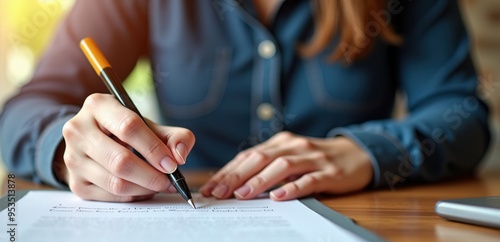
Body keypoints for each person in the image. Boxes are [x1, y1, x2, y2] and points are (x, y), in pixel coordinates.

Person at [0, 0, 491, 202]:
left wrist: (368, 151)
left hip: (355, 222)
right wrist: (69, 152)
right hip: (186, 225)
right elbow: (23, 111)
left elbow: (463, 114)